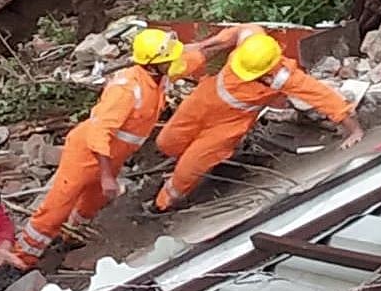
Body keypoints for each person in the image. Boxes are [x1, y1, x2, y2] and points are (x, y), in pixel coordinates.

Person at [14, 28, 193, 267]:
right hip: (87, 153)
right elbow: (100, 133)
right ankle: (21, 258)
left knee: (93, 201)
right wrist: (108, 176)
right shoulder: (127, 90)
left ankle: (71, 235)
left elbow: (191, 59)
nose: (173, 61)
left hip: (111, 153)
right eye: (169, 59)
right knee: (57, 207)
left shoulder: (156, 78)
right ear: (153, 64)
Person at [150, 31, 365, 214]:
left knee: (188, 169)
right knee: (166, 142)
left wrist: (354, 130)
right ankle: (182, 165)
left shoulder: (284, 77)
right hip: (201, 103)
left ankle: (162, 205)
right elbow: (237, 31)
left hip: (228, 125)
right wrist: (201, 46)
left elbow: (324, 98)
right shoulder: (252, 40)